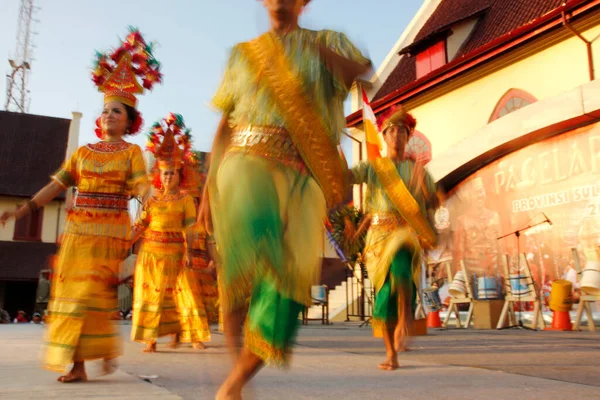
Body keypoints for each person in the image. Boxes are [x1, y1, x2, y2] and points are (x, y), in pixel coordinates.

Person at [200, 0, 371, 397]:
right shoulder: (243, 55)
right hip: (245, 164)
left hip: (302, 176)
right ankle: (234, 383)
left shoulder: (329, 42)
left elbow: (362, 74)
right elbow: (226, 123)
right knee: (243, 267)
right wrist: (208, 188)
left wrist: (318, 52)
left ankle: (236, 381)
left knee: (290, 289)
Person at [0, 28, 160, 382]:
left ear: (129, 119)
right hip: (77, 231)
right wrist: (22, 211)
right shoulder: (83, 153)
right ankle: (80, 363)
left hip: (109, 231)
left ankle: (97, 350)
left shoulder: (132, 152)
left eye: (116, 111)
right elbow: (56, 186)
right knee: (71, 296)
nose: (108, 116)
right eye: (105, 112)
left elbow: (139, 183)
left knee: (90, 292)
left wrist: (149, 195)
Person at [350, 105, 439, 371]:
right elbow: (345, 177)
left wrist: (425, 191)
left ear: (408, 136)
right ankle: (391, 354)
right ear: (385, 136)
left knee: (401, 268)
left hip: (406, 234)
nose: (397, 134)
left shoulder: (418, 170)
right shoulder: (373, 167)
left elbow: (433, 202)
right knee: (384, 294)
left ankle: (405, 317)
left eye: (403, 130)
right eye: (392, 130)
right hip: (378, 238)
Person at [130, 113, 198, 353]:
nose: (169, 177)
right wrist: (123, 244)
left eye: (173, 173)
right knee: (151, 297)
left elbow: (189, 228)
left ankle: (179, 332)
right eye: (165, 173)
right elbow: (140, 226)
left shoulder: (186, 200)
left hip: (176, 253)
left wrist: (189, 251)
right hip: (150, 254)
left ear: (180, 175)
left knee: (176, 295)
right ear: (159, 176)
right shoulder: (152, 201)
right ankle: (151, 339)